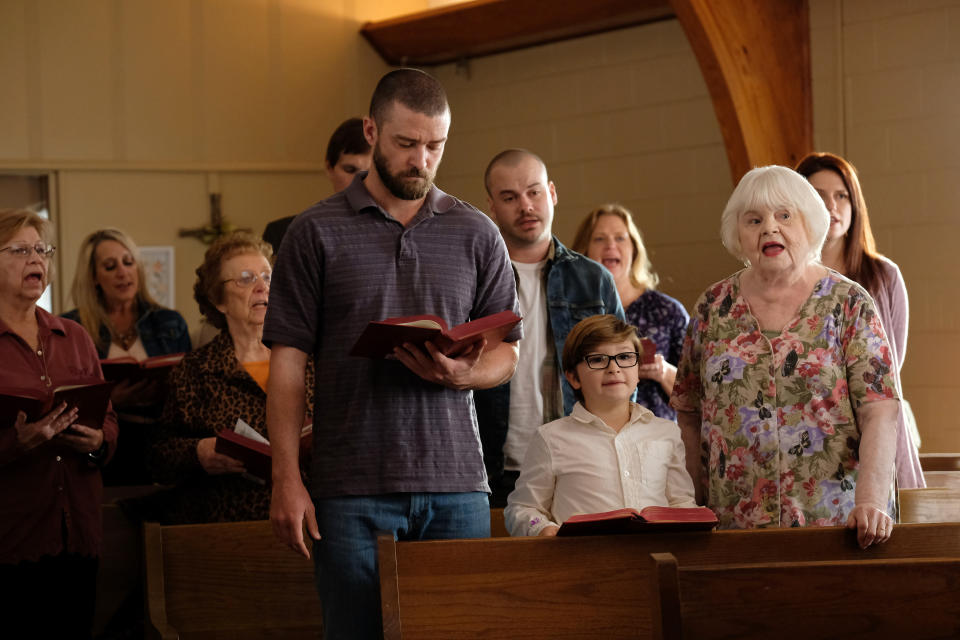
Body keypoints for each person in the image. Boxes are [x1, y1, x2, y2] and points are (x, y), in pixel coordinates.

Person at [264, 68, 520, 639]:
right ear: (372, 131)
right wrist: (286, 478)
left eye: (435, 146)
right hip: (351, 486)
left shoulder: (477, 232)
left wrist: (462, 374)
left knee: (461, 632)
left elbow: (507, 355)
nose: (421, 160)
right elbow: (287, 366)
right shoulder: (314, 232)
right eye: (407, 144)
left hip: (457, 483)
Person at [671, 166, 899, 550]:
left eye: (784, 215)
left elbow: (880, 410)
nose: (769, 229)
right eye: (754, 219)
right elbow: (689, 413)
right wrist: (688, 508)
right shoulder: (713, 307)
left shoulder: (848, 303)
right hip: (731, 527)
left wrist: (871, 501)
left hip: (836, 524)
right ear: (738, 233)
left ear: (809, 225)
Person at [476, 149, 625, 508]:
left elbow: (622, 375)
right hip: (491, 468)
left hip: (579, 462)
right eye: (509, 198)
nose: (525, 206)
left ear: (552, 193)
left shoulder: (593, 279)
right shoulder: (473, 279)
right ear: (492, 207)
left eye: (534, 192)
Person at [0, 208, 118, 639]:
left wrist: (97, 440)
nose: (37, 260)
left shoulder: (76, 335)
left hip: (79, 529)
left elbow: (107, 418)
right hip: (13, 536)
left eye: (42, 250)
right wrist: (19, 442)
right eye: (20, 250)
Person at [145, 232, 314, 523]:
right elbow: (158, 458)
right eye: (246, 279)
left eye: (267, 277)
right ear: (217, 300)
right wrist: (198, 452)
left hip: (311, 515)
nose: (262, 287)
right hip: (230, 521)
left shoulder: (308, 359)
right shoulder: (196, 370)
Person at [796, 152, 924, 490]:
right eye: (818, 196)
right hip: (809, 439)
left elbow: (890, 368)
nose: (832, 206)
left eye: (841, 196)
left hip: (876, 434)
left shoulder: (884, 276)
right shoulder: (786, 281)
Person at [505, 314, 696, 537]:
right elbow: (522, 508)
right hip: (584, 563)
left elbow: (681, 501)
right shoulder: (551, 438)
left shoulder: (666, 433)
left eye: (625, 357)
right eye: (597, 360)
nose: (613, 368)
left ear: (638, 371)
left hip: (654, 558)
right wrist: (543, 528)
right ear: (574, 377)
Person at [62, 228, 191, 484]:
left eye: (128, 262)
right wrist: (111, 400)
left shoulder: (169, 322)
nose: (122, 272)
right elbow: (64, 400)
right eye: (110, 267)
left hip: (163, 437)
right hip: (106, 442)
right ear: (94, 278)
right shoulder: (72, 327)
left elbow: (193, 389)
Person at [571, 204, 689, 420]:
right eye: (599, 239)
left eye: (620, 238)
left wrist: (663, 371)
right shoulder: (572, 310)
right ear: (584, 250)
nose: (610, 246)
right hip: (590, 436)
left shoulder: (668, 311)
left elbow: (699, 395)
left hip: (657, 439)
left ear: (634, 249)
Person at [262, 117, 373, 255]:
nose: (359, 180)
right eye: (350, 170)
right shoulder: (283, 233)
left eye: (370, 172)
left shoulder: (393, 233)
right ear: (329, 168)